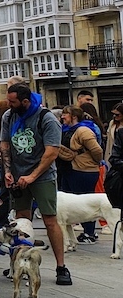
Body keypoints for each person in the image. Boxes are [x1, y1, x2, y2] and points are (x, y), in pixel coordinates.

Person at [0, 83, 71, 286]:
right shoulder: (9, 116)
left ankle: (61, 266)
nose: (9, 104)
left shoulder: (46, 118)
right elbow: (5, 144)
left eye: (12, 102)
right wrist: (7, 171)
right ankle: (20, 263)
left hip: (43, 176)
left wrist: (32, 176)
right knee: (22, 222)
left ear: (25, 101)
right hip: (17, 175)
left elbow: (51, 153)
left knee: (50, 219)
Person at [57, 105, 103, 244]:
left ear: (74, 117)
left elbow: (97, 150)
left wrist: (93, 162)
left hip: (83, 171)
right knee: (72, 204)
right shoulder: (65, 130)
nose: (62, 116)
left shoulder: (83, 130)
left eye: (65, 114)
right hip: (68, 171)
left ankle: (89, 233)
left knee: (85, 203)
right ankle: (71, 238)